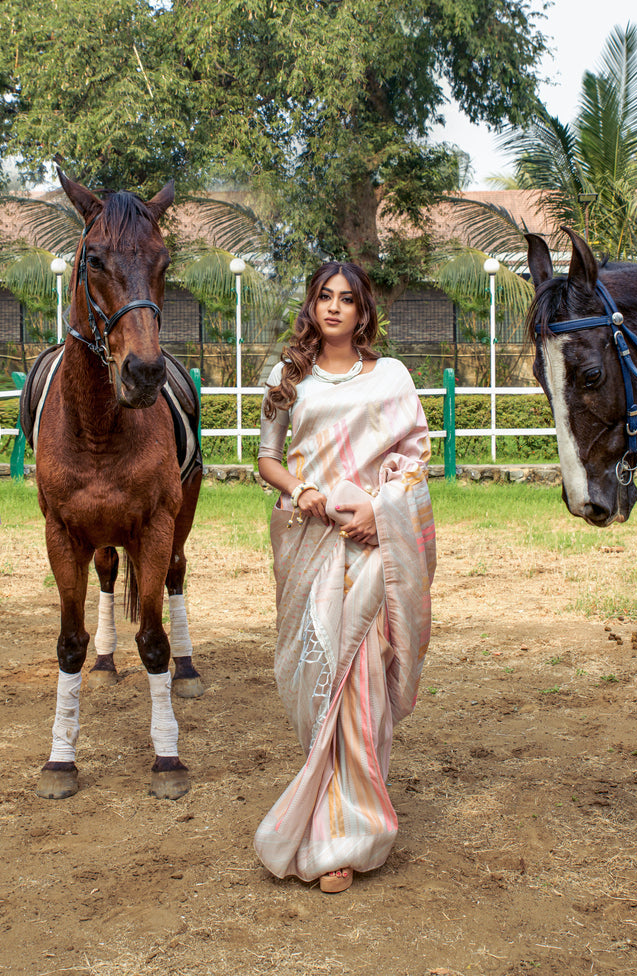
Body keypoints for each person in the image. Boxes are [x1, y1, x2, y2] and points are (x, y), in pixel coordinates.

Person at [254, 261, 436, 893]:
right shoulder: (287, 376)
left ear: (363, 312)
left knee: (361, 683)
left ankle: (345, 835)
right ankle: (328, 809)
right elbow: (267, 459)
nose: (334, 308)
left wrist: (378, 512)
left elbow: (415, 462)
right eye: (324, 297)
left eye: (347, 300)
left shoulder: (391, 378)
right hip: (309, 547)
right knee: (317, 677)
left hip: (370, 550)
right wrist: (303, 490)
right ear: (312, 305)